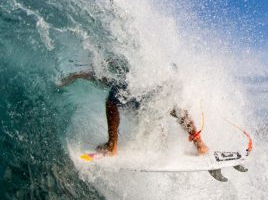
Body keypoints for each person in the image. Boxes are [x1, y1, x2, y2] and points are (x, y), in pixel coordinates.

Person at [59, 64, 209, 157]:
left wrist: (77, 75)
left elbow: (98, 76)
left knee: (111, 102)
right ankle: (199, 144)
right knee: (175, 109)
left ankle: (112, 146)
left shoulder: (120, 76)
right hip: (160, 83)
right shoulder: (164, 74)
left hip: (142, 82)